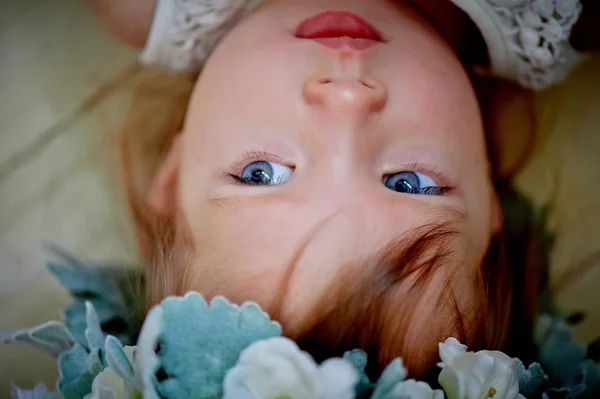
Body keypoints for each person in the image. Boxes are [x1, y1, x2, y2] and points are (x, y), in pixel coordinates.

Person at [88, 0, 593, 378]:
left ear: (174, 175)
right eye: (408, 183)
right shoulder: (562, 14)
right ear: (486, 187)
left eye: (263, 173)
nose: (347, 98)